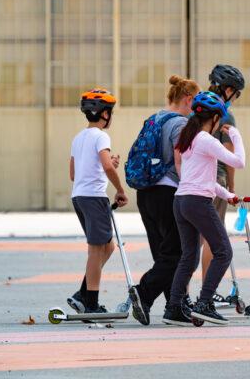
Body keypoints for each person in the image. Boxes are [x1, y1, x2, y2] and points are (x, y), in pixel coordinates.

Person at [162, 91, 245, 326]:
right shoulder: (207, 140)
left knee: (188, 257)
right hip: (197, 203)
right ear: (216, 119)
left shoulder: (189, 140)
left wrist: (227, 194)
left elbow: (201, 179)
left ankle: (174, 308)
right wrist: (236, 135)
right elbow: (239, 162)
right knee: (224, 252)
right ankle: (204, 304)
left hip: (181, 201)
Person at [132, 75, 200, 325]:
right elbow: (181, 161)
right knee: (180, 253)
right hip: (168, 192)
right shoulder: (181, 124)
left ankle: (175, 306)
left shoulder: (154, 118)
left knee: (164, 253)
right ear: (189, 99)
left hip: (145, 193)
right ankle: (143, 293)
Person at [66, 88, 130, 315]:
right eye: (110, 112)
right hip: (94, 197)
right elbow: (105, 166)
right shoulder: (102, 136)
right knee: (96, 250)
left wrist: (106, 164)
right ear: (104, 114)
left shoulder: (79, 137)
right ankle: (91, 303)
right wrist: (120, 189)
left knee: (108, 246)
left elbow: (74, 173)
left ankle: (82, 294)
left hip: (79, 197)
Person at [201, 64, 245, 304]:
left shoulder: (196, 108)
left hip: (192, 180)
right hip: (215, 178)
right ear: (228, 90)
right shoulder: (224, 114)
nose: (235, 99)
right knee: (213, 236)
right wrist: (231, 187)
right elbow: (229, 154)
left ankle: (183, 296)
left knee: (192, 240)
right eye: (236, 94)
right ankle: (208, 293)